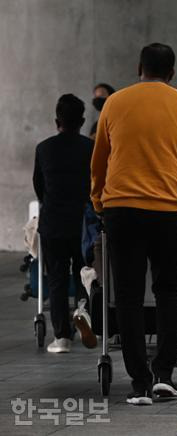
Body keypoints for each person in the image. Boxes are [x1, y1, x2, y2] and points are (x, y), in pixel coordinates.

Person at [91, 43, 177, 405]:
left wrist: (99, 201)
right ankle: (164, 374)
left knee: (127, 296)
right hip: (167, 211)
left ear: (138, 67)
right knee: (168, 289)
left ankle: (139, 381)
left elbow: (99, 161)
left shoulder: (114, 103)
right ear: (172, 72)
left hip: (121, 210)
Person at [33, 94, 97, 353]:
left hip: (53, 222)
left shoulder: (44, 148)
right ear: (82, 121)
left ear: (56, 120)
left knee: (58, 278)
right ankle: (84, 313)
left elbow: (39, 186)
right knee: (86, 275)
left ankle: (62, 338)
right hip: (83, 222)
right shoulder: (90, 148)